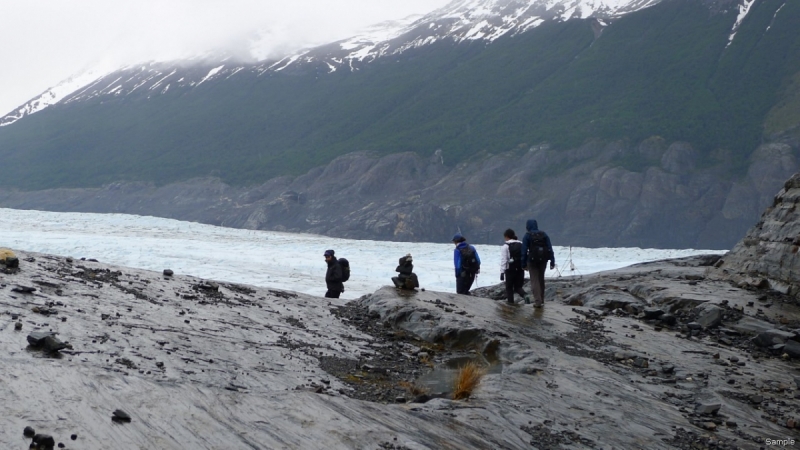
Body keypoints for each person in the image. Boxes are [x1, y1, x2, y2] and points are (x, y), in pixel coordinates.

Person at [521, 219, 555, 307]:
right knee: (541, 279)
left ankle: (538, 301)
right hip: (543, 260)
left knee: (534, 280)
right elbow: (550, 248)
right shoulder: (544, 234)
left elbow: (524, 251)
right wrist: (552, 261)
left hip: (532, 261)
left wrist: (523, 264)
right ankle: (542, 299)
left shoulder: (527, 236)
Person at [500, 229, 528, 304]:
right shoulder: (521, 244)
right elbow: (525, 255)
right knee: (518, 287)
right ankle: (525, 295)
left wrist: (502, 272)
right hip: (520, 268)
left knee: (509, 288)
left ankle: (510, 303)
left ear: (506, 236)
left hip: (510, 269)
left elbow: (504, 260)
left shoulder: (505, 246)